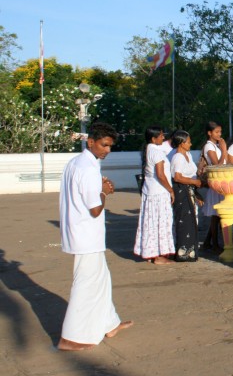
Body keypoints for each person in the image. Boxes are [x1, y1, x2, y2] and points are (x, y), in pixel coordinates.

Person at [57, 122, 133, 351]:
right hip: (86, 234)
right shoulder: (88, 168)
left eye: (110, 146)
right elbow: (96, 209)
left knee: (101, 279)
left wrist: (99, 188)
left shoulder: (76, 163)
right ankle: (71, 337)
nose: (107, 150)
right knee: (86, 283)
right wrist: (104, 191)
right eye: (104, 145)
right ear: (91, 142)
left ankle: (110, 323)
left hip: (82, 232)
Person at [133, 125, 176, 264]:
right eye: (161, 135)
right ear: (153, 138)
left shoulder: (148, 150)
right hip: (159, 193)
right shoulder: (156, 152)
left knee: (151, 223)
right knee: (161, 222)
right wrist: (170, 189)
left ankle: (151, 253)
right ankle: (158, 255)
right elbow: (160, 174)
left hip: (150, 191)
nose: (163, 138)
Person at [170, 130, 203, 262]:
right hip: (182, 190)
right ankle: (183, 251)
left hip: (190, 190)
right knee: (184, 221)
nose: (190, 144)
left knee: (192, 221)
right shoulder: (177, 157)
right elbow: (177, 177)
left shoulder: (187, 155)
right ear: (182, 143)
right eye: (188, 142)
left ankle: (191, 250)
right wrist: (194, 182)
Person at [200, 121, 227, 253]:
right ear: (209, 133)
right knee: (215, 216)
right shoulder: (209, 147)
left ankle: (207, 242)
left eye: (220, 132)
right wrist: (224, 151)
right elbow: (217, 166)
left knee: (218, 216)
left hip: (221, 183)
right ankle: (214, 244)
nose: (219, 134)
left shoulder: (215, 145)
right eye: (216, 132)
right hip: (216, 183)